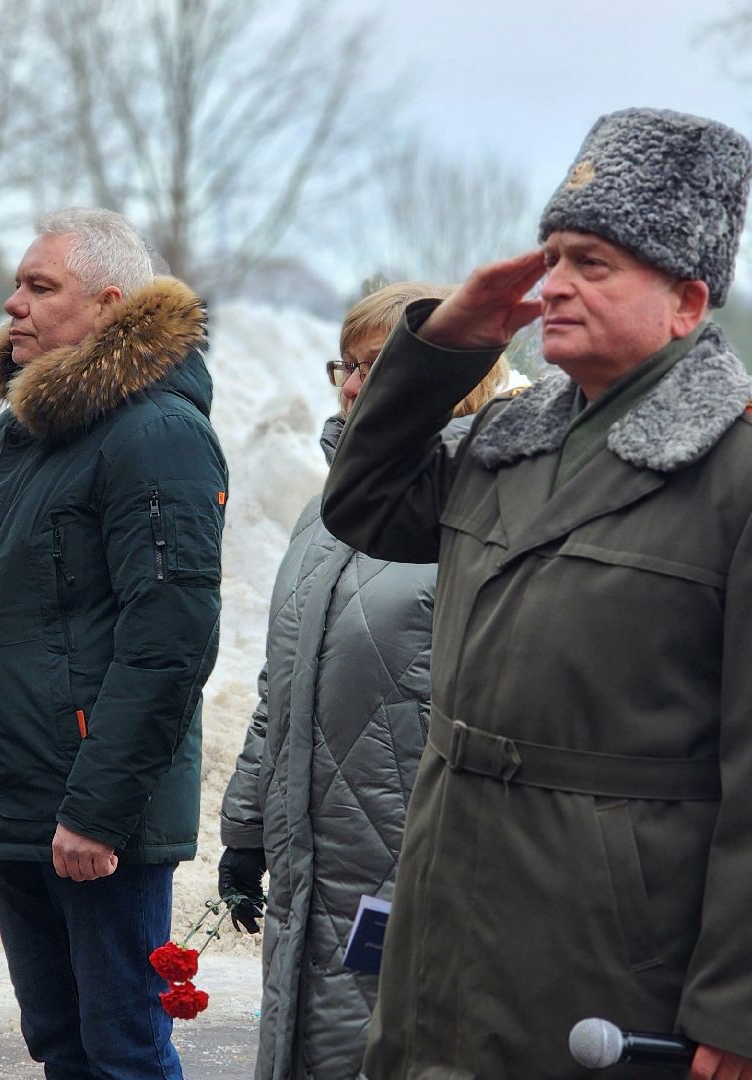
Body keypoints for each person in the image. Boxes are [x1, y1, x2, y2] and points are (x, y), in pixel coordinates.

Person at [321, 108, 752, 1080]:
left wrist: (746, 1008)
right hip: (449, 925)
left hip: (607, 958)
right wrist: (440, 347)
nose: (555, 285)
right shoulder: (509, 438)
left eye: (594, 264)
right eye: (553, 259)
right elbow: (364, 504)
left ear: (686, 301)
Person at [0, 208, 228, 1079]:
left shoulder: (157, 434)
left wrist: (97, 812)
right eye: (17, 284)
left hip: (98, 815)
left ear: (107, 305)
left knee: (123, 1050)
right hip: (25, 802)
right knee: (61, 1044)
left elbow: (169, 642)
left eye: (40, 286)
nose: (13, 303)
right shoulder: (17, 435)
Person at [218, 283, 511, 1080]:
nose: (351, 387)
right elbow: (284, 681)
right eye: (344, 366)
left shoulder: (481, 506)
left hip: (411, 869)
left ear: (451, 376)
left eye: (376, 366)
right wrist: (246, 828)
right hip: (310, 867)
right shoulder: (325, 513)